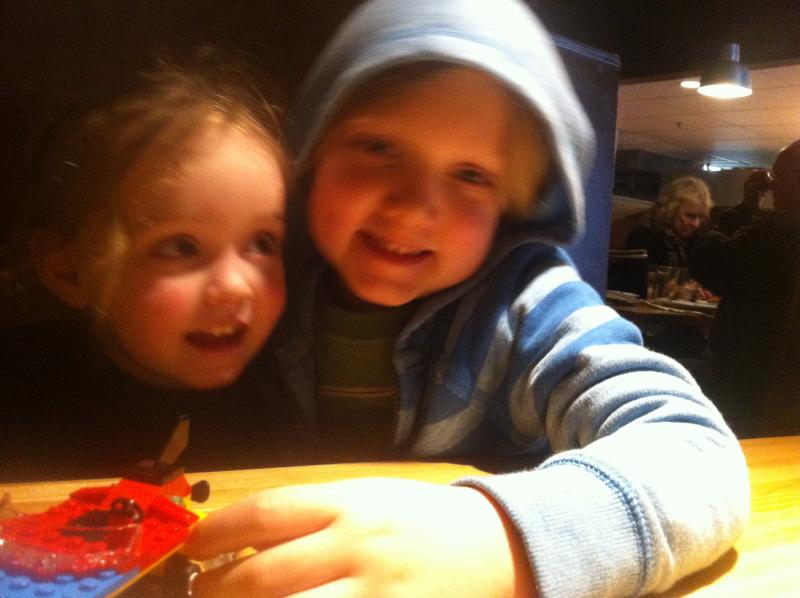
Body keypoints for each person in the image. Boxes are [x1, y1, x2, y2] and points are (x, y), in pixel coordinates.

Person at [185, 2, 749, 597]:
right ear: (315, 153)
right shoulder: (271, 275)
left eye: (471, 175)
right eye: (378, 146)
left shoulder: (529, 305)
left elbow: (698, 454)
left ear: (512, 204)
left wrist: (507, 539)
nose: (414, 207)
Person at [0, 51, 298, 481]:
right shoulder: (21, 399)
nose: (237, 286)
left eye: (262, 243)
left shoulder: (285, 394)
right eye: (181, 247)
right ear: (70, 271)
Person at [690, 140, 800, 437]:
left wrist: (744, 207)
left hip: (747, 380)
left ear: (794, 181)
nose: (773, 187)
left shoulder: (774, 236)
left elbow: (706, 261)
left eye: (778, 176)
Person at [626, 175, 713, 268]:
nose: (696, 224)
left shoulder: (700, 243)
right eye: (689, 216)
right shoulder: (644, 239)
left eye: (701, 217)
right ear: (670, 211)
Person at [715, 169, 772, 237]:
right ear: (746, 189)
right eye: (754, 190)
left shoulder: (765, 218)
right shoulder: (729, 216)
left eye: (762, 190)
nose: (757, 194)